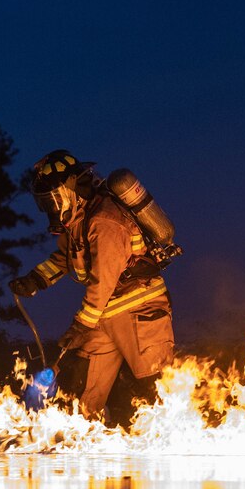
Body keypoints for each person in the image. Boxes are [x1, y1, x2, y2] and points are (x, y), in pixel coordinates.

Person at [10, 150, 174, 422]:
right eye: (46, 203)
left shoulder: (105, 220)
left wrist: (80, 326)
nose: (51, 208)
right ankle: (81, 445)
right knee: (82, 396)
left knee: (156, 389)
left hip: (139, 311)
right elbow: (67, 257)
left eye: (54, 199)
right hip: (104, 315)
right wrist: (35, 279)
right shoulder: (78, 222)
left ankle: (180, 441)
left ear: (72, 188)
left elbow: (103, 280)